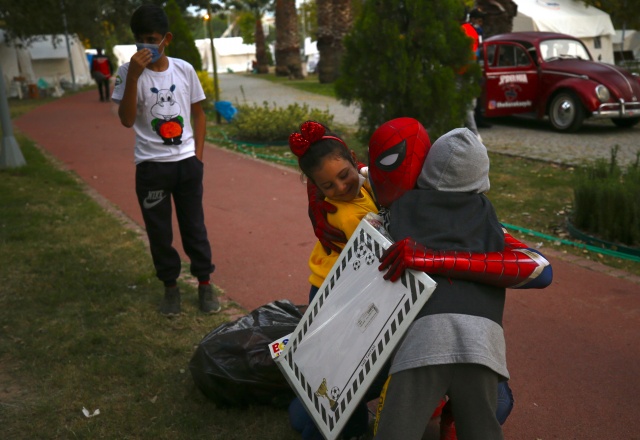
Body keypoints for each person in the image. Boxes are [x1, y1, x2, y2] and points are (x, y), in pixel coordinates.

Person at [372, 127, 552, 440]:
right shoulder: (487, 219)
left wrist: (432, 258)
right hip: (482, 343)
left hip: (423, 339)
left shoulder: (400, 208)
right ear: (481, 180)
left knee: (395, 433)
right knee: (483, 431)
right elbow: (541, 269)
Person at [111, 4, 218, 316]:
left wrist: (197, 157)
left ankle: (205, 284)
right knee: (159, 232)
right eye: (139, 40)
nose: (145, 46)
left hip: (186, 165)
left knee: (194, 226)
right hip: (151, 168)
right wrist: (133, 76)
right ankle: (170, 288)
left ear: (166, 39)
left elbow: (198, 115)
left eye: (151, 39)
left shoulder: (184, 70)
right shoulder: (126, 72)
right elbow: (127, 120)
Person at [286, 120, 381, 440]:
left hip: (331, 285)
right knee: (342, 369)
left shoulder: (361, 184)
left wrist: (365, 174)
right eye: (328, 186)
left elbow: (366, 177)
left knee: (330, 366)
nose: (341, 188)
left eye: (344, 175)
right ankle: (325, 428)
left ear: (354, 161)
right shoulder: (351, 217)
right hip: (334, 294)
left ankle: (306, 412)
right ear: (315, 187)